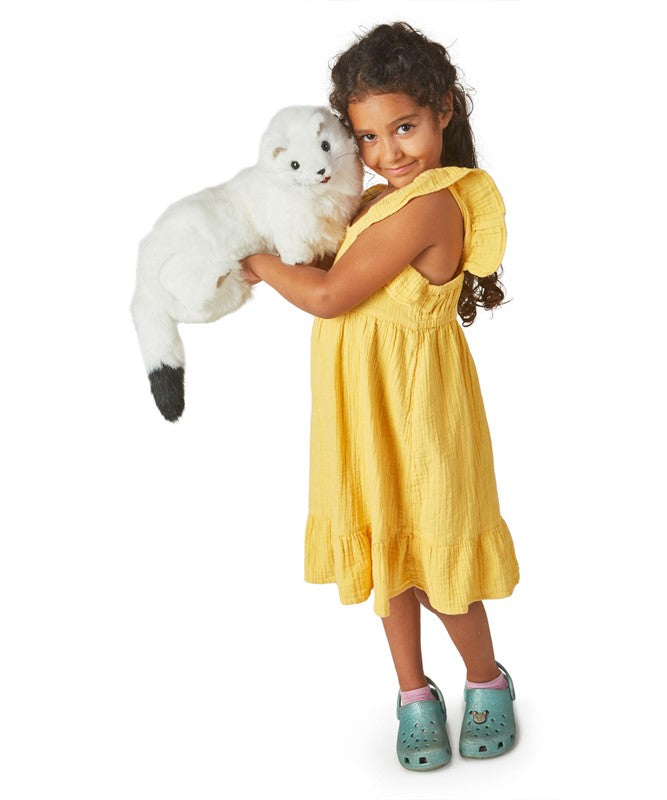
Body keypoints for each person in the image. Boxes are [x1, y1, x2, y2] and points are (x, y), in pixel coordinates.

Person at [241, 21, 520, 772]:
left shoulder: (431, 204)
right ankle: (412, 693)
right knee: (388, 559)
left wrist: (256, 260)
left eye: (404, 127)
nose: (388, 153)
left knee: (438, 569)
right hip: (362, 410)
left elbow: (329, 294)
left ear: (443, 111)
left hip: (419, 415)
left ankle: (487, 679)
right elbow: (325, 261)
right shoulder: (371, 203)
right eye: (367, 137)